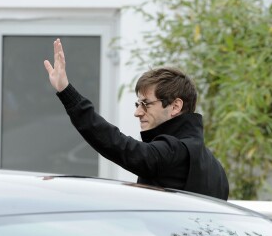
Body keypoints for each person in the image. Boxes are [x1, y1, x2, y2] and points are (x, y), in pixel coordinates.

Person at [44, 38, 229, 200]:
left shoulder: (173, 152)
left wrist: (66, 91)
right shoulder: (216, 171)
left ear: (175, 106)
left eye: (146, 104)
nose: (138, 112)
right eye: (137, 104)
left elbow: (119, 145)